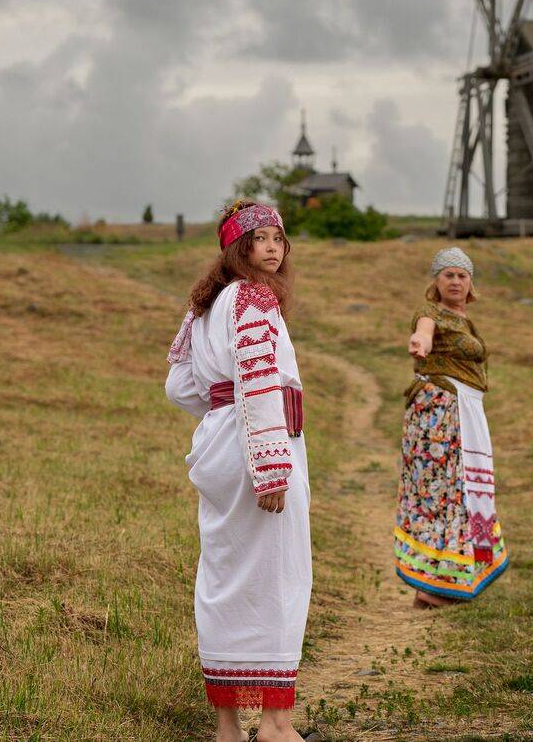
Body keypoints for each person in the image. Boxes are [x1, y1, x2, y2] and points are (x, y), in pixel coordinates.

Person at [165, 200, 311, 742]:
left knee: (225, 575)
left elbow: (179, 386)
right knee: (277, 574)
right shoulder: (251, 297)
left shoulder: (205, 306)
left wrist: (220, 413)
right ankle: (273, 723)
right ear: (238, 248)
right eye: (262, 238)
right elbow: (256, 377)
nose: (274, 247)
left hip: (223, 444)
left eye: (280, 238)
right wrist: (271, 466)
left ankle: (228, 725)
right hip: (261, 447)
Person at [393, 246, 509, 607]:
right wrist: (420, 342)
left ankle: (446, 579)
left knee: (460, 490)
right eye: (448, 274)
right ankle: (432, 585)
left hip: (462, 410)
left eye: (462, 275)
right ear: (436, 280)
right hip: (441, 412)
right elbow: (424, 332)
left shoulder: (465, 319)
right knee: (444, 491)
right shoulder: (430, 312)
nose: (455, 281)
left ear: (470, 282)